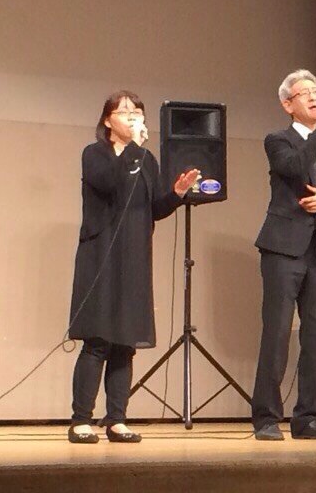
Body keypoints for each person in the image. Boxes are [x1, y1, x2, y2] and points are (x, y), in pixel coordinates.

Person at [66, 90, 200, 444]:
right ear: (107, 120)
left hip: (135, 257)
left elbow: (154, 208)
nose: (133, 117)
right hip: (100, 256)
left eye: (137, 112)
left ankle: (116, 419)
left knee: (125, 343)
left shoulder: (146, 159)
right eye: (124, 112)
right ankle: (81, 420)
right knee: (97, 341)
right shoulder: (94, 154)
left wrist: (177, 194)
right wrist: (133, 149)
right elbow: (109, 182)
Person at [252, 69, 316, 441]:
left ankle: (308, 418)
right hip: (282, 248)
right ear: (287, 104)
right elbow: (293, 167)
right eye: (305, 92)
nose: (314, 97)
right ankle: (266, 418)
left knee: (315, 337)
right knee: (278, 333)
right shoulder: (277, 140)